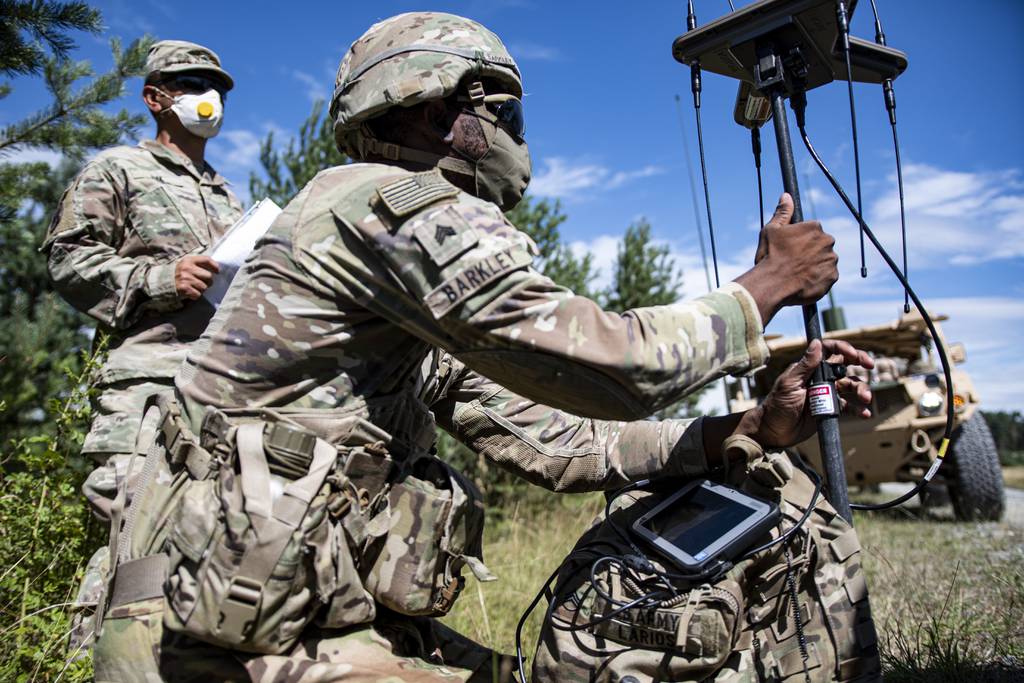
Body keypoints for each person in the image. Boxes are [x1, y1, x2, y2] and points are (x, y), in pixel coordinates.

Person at [93, 12, 873, 682]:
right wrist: (764, 286)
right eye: (508, 117)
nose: (514, 142)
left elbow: (561, 440)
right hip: (211, 645)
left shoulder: (393, 291)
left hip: (251, 620)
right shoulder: (388, 205)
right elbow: (618, 368)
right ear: (442, 118)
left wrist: (747, 427)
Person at [42, 39, 242, 656]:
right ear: (155, 97)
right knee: (131, 526)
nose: (209, 97)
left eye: (217, 86)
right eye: (191, 83)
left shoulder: (229, 196)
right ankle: (87, 662)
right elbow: (66, 257)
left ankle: (176, 663)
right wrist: (159, 279)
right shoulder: (116, 170)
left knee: (210, 531)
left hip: (222, 388)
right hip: (146, 385)